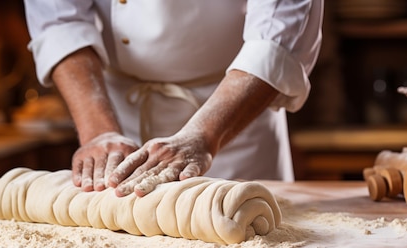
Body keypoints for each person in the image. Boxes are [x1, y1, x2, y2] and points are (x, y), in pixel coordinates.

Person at [23, 0, 323, 197]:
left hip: (235, 112)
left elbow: (276, 37)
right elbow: (60, 22)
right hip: (115, 109)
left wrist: (203, 136)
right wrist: (99, 132)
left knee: (248, 244)